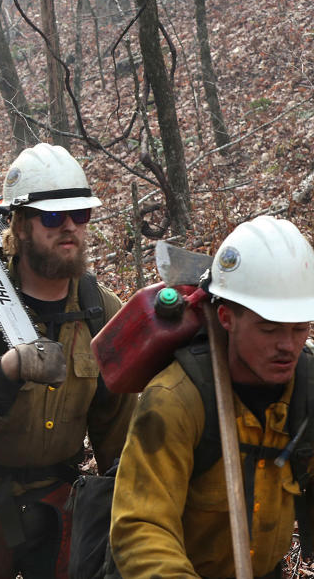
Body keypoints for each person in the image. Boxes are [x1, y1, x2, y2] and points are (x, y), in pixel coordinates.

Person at [0, 142, 135, 578]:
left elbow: (120, 423)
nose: (70, 228)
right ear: (20, 225)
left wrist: (128, 497)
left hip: (55, 502)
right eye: (54, 218)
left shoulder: (99, 308)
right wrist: (8, 372)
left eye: (81, 216)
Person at [110, 215, 314, 578]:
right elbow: (141, 528)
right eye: (268, 329)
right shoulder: (174, 400)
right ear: (226, 317)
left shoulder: (308, 387)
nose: (287, 346)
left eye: (300, 328)